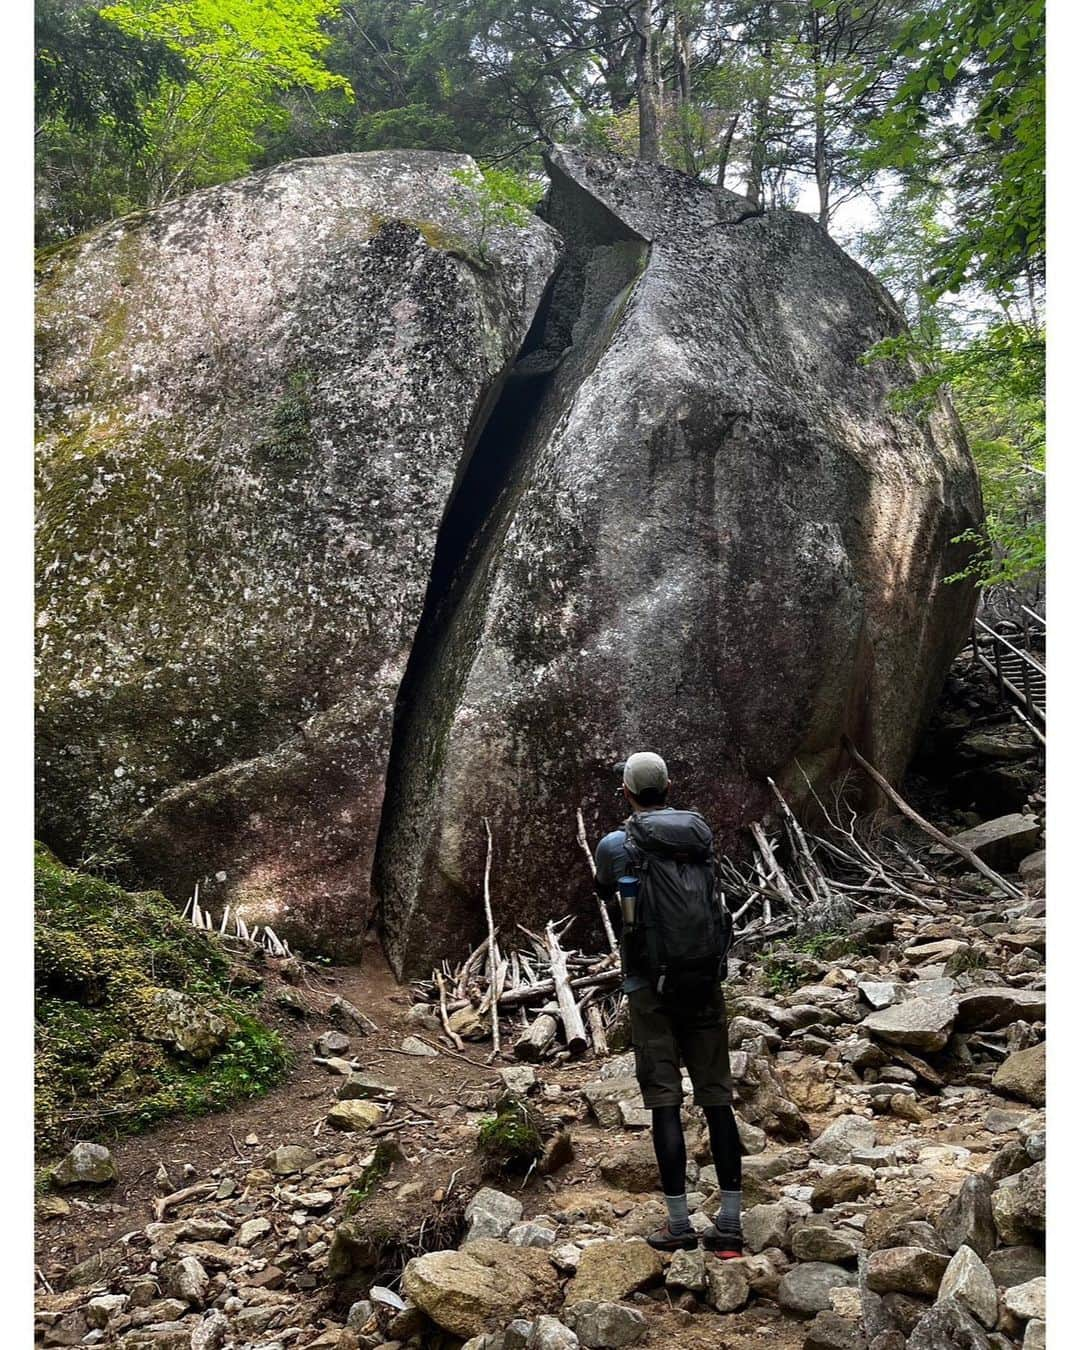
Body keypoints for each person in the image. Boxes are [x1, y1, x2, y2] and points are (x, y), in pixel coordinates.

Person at [594, 751, 743, 1256]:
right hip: (704, 979)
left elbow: (602, 888)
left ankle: (679, 1224)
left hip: (648, 988)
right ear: (668, 786)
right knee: (717, 1099)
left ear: (627, 792)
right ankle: (729, 1224)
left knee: (665, 1103)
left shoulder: (618, 844)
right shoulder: (698, 837)